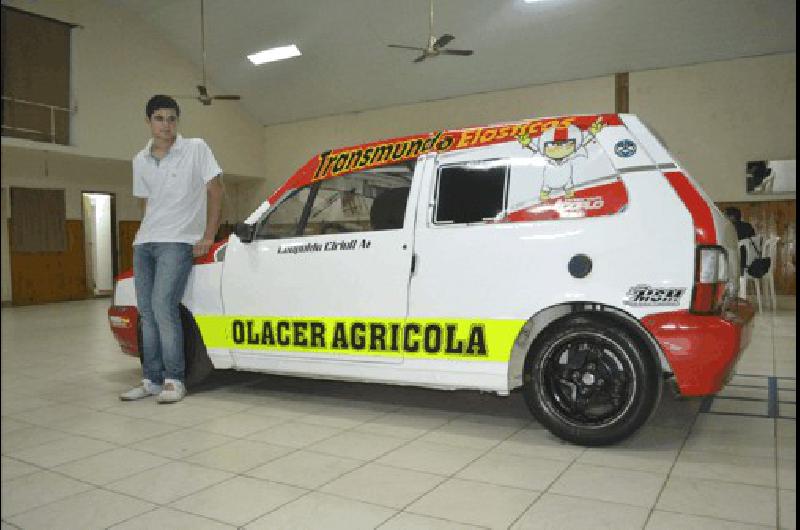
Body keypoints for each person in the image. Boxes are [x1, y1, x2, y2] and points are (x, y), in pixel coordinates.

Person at [120, 95, 223, 404]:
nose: (166, 125)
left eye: (171, 119)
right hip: (145, 242)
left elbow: (216, 190)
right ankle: (151, 379)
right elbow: (145, 202)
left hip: (178, 241)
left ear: (177, 121)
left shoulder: (196, 149)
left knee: (165, 308)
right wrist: (146, 231)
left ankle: (174, 379)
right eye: (159, 118)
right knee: (147, 313)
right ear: (149, 121)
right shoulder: (140, 159)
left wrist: (208, 234)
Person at [724, 206, 756, 273]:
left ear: (732, 217)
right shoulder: (748, 226)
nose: (724, 218)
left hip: (739, 261)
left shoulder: (730, 228)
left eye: (725, 216)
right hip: (751, 260)